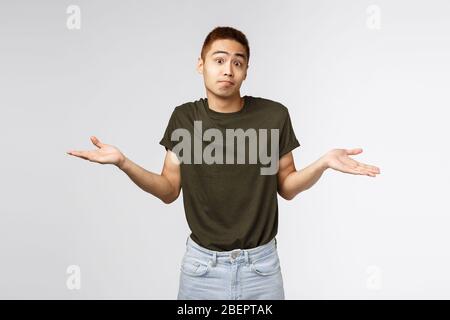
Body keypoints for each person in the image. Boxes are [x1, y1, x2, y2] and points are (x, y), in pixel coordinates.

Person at [67, 26, 381, 300]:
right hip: (202, 269)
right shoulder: (185, 118)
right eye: (219, 60)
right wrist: (123, 162)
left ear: (246, 71)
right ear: (200, 65)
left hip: (262, 269)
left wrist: (323, 163)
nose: (228, 69)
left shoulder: (274, 116)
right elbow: (167, 190)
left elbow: (286, 186)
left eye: (237, 62)